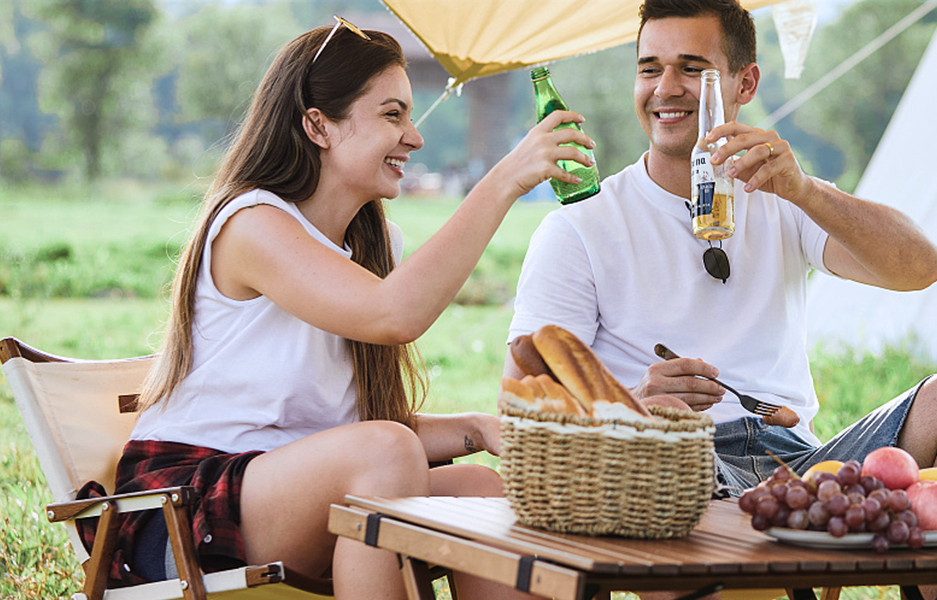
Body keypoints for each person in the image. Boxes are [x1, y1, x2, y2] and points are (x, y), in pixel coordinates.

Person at [87, 19, 594, 599]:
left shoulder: (374, 247)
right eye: (392, 115)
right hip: (182, 513)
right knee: (386, 453)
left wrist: (479, 427)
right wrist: (504, 178)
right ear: (317, 126)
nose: (415, 136)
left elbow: (342, 427)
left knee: (482, 490)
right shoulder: (252, 224)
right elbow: (394, 318)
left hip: (295, 489)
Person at [505, 0, 937, 499]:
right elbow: (519, 407)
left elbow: (920, 269)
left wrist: (807, 191)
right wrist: (633, 404)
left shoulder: (785, 195)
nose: (665, 89)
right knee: (670, 424)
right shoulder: (579, 227)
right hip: (670, 459)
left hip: (799, 462)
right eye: (649, 69)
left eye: (691, 69)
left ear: (745, 83)